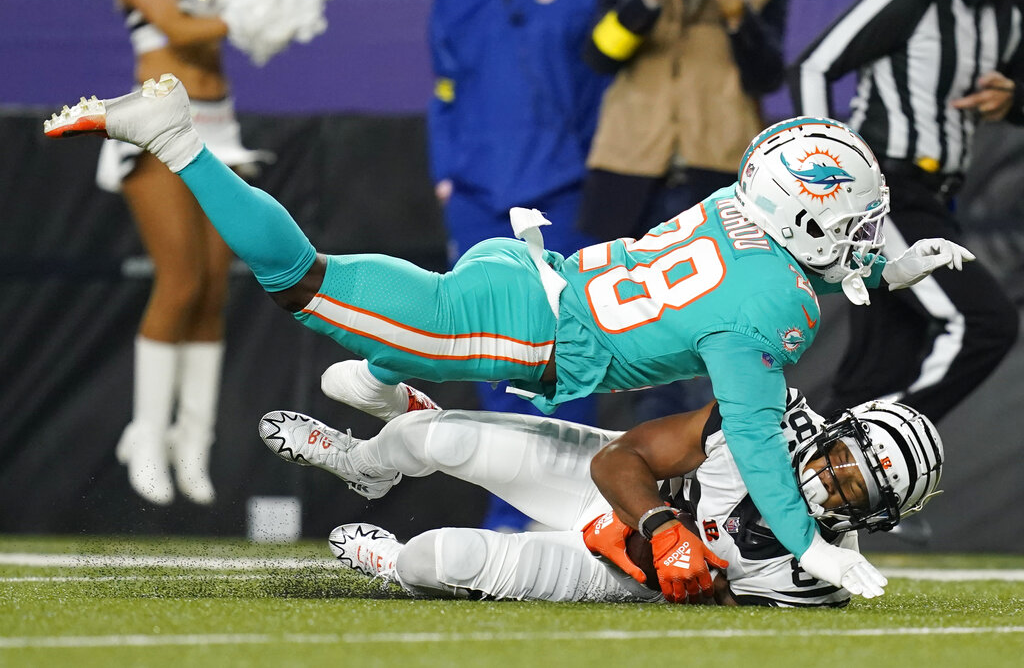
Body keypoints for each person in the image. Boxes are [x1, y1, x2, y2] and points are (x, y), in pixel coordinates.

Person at [43, 78, 970, 596]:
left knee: (388, 369)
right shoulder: (772, 316)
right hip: (520, 336)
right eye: (851, 222)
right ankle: (177, 138)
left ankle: (382, 388)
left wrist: (888, 272)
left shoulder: (745, 212)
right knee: (305, 282)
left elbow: (791, 269)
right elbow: (762, 446)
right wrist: (809, 545)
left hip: (531, 275)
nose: (858, 236)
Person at [257, 389, 943, 605]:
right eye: (839, 459)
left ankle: (395, 564)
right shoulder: (760, 416)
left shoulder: (815, 577)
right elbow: (623, 456)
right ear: (831, 431)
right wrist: (659, 521)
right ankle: (361, 462)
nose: (829, 479)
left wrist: (658, 555)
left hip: (628, 571)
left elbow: (724, 613)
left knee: (439, 559)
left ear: (874, 518)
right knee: (428, 435)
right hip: (616, 486)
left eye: (854, 488)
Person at [92, 0, 338, 506]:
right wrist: (251, 17)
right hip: (156, 122)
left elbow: (236, 13)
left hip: (218, 125)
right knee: (179, 283)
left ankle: (192, 442)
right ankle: (146, 436)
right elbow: (179, 30)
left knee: (211, 294)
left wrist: (276, 4)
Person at [418, 0, 610, 530]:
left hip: (565, 193)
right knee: (491, 356)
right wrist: (446, 174)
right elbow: (444, 85)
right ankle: (509, 512)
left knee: (569, 351)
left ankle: (577, 511)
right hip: (476, 197)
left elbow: (604, 80)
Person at [790, 0, 1022, 424]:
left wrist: (1014, 98)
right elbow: (812, 68)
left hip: (935, 200)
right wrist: (829, 174)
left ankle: (820, 462)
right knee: (984, 324)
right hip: (883, 192)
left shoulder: (1011, 11)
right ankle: (879, 440)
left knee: (878, 371)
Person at [578, 0, 789, 423]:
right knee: (641, 327)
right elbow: (599, 55)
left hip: (719, 174)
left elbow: (767, 76)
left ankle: (721, 453)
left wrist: (736, 12)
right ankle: (652, 465)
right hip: (633, 175)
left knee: (723, 325)